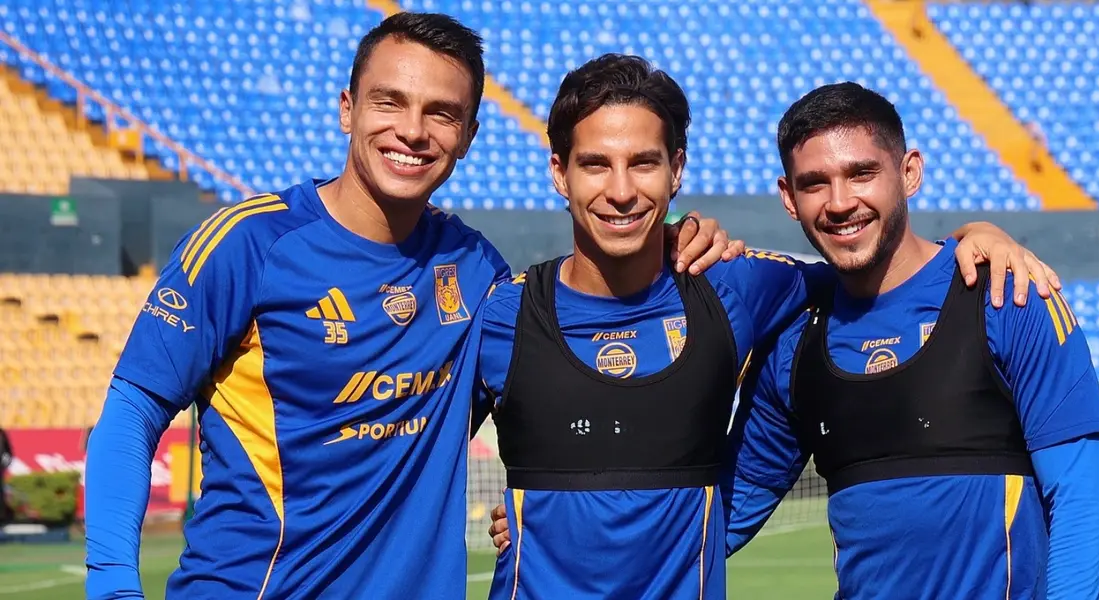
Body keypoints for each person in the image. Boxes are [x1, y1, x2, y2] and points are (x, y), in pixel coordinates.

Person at [83, 14, 735, 600]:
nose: (413, 131)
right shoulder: (249, 244)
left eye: (441, 112)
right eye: (389, 102)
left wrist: (670, 242)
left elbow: (560, 394)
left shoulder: (477, 270)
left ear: (470, 134)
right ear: (347, 108)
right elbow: (133, 411)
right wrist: (113, 585)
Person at [476, 56, 1061, 599]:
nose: (622, 190)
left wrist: (976, 239)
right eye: (596, 164)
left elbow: (869, 263)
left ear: (676, 170)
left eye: (645, 162)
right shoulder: (499, 315)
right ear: (559, 172)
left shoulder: (739, 287)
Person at [724, 82, 1099, 598]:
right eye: (815, 183)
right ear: (789, 198)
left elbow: (1080, 498)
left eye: (862, 173)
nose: (840, 203)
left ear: (909, 173)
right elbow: (717, 519)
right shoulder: (793, 342)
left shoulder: (1006, 294)